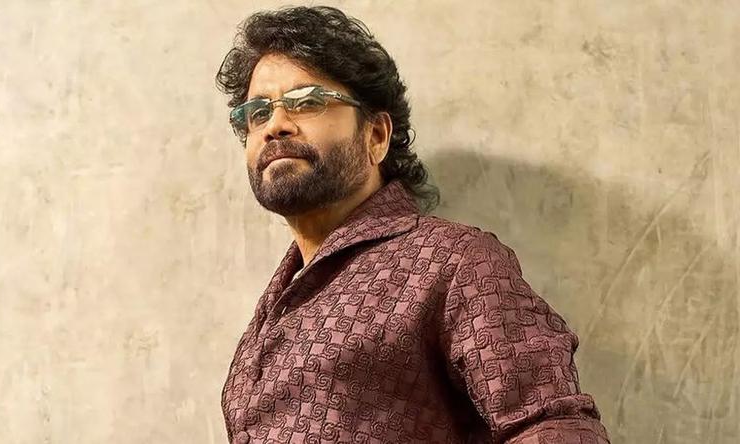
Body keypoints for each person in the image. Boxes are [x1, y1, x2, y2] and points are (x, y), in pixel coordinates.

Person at [215, 6, 610, 444]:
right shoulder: (275, 307)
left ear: (376, 136)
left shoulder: (454, 262)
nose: (275, 126)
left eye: (307, 102)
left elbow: (555, 426)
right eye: (257, 113)